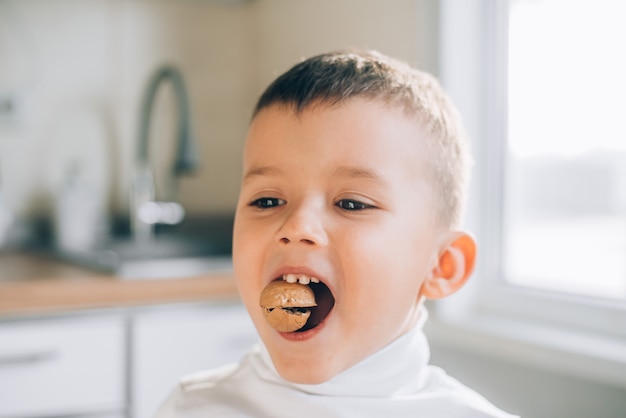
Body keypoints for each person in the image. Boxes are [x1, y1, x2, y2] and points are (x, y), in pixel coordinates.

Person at [155, 49, 518, 417]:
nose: (296, 227)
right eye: (266, 201)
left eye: (352, 204)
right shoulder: (190, 408)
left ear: (442, 266)